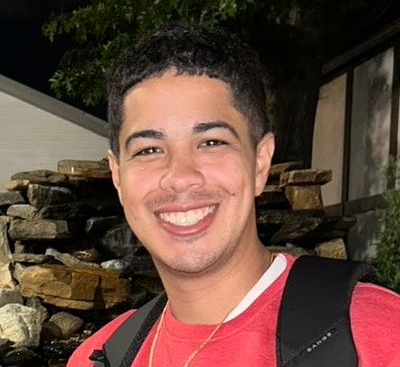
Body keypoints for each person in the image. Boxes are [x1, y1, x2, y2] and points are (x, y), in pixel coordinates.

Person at [67, 25, 400, 367]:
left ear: (260, 162)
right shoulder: (98, 358)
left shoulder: (377, 338)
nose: (180, 176)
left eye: (212, 142)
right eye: (148, 149)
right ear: (118, 175)